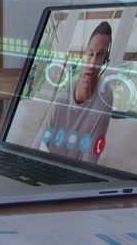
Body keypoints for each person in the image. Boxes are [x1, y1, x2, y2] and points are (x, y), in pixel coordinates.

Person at [44, 21, 113, 162]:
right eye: (90, 54)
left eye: (99, 55)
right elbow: (39, 143)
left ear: (105, 60)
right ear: (83, 55)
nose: (93, 63)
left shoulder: (105, 95)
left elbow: (91, 158)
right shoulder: (63, 97)